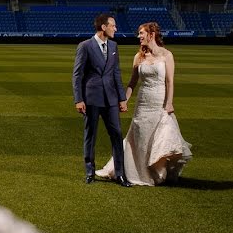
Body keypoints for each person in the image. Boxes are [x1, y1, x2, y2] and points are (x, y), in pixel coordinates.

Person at [96, 22, 192, 185]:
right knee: (139, 137)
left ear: (151, 34)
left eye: (141, 33)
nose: (139, 36)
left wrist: (169, 103)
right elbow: (132, 83)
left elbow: (170, 82)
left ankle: (156, 171)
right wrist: (124, 100)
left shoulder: (167, 55)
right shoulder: (138, 56)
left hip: (159, 102)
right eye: (139, 33)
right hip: (143, 103)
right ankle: (138, 172)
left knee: (157, 137)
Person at [72, 13, 131, 186]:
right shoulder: (85, 46)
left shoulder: (113, 45)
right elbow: (77, 75)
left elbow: (116, 73)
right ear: (103, 27)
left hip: (111, 99)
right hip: (91, 99)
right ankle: (90, 171)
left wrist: (122, 98)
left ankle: (120, 174)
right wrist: (78, 99)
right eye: (113, 25)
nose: (116, 28)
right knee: (90, 135)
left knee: (117, 134)